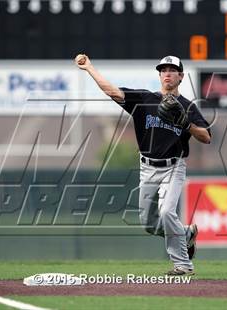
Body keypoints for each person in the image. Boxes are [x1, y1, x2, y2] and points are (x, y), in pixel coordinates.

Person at [74, 54, 211, 275]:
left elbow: (206, 137)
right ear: (159, 75)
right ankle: (184, 234)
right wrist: (89, 67)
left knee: (167, 212)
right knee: (148, 223)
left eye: (172, 70)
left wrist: (186, 123)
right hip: (147, 167)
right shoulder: (144, 100)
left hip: (174, 167)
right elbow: (111, 91)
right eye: (163, 69)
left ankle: (183, 264)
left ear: (181, 76)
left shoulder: (188, 107)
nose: (167, 73)